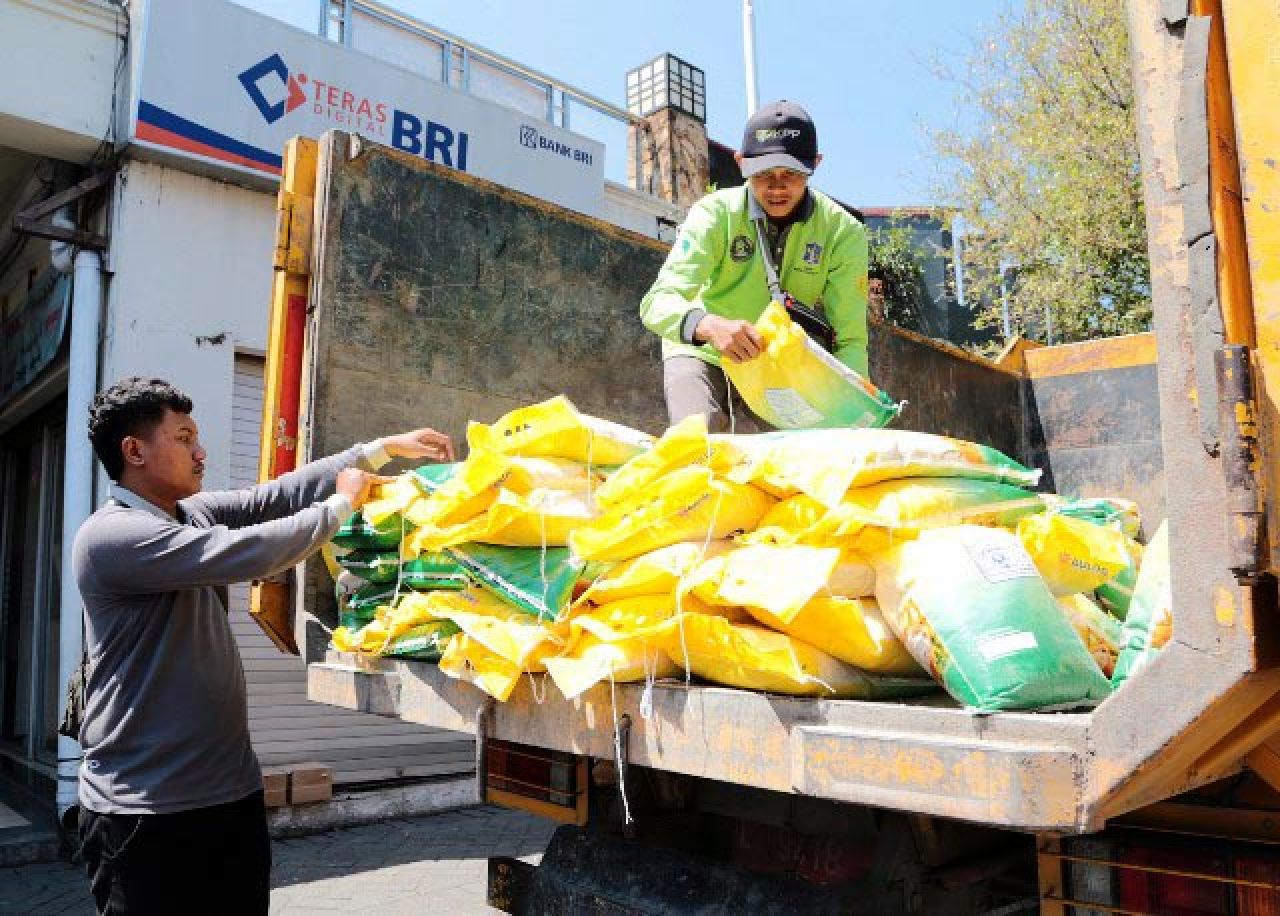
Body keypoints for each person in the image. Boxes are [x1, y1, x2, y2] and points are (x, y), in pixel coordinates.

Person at [72, 377, 454, 915]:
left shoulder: (189, 513)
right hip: (145, 813)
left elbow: (273, 498)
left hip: (229, 798)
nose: (200, 452)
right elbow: (251, 551)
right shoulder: (113, 537)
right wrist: (341, 506)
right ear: (134, 451)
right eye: (183, 438)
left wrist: (380, 449)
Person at [639, 100, 870, 432]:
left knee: (793, 455)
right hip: (703, 350)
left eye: (791, 174)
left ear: (814, 165)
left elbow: (849, 339)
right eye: (763, 174)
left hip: (775, 363)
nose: (776, 187)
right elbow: (656, 303)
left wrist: (853, 413)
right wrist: (707, 325)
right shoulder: (714, 214)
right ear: (741, 163)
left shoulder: (843, 233)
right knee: (697, 436)